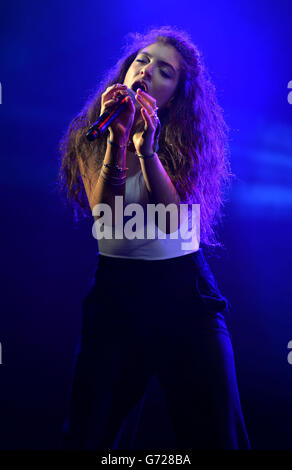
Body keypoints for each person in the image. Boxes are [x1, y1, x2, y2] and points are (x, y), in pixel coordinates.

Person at [59, 26, 251, 450]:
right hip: (117, 292)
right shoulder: (90, 134)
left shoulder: (188, 141)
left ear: (176, 93)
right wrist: (118, 141)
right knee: (89, 435)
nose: (148, 71)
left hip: (184, 291)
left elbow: (172, 224)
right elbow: (104, 217)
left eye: (165, 71)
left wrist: (147, 151)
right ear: (126, 70)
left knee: (218, 435)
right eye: (143, 60)